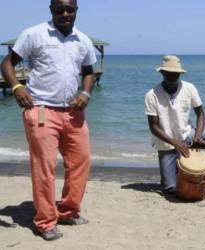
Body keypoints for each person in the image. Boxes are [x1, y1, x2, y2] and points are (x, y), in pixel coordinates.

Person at [1, 0, 96, 241]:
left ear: (76, 11)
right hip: (41, 109)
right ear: (51, 11)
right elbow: (7, 63)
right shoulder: (34, 34)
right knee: (44, 167)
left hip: (73, 112)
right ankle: (45, 222)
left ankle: (67, 210)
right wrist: (16, 86)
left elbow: (88, 72)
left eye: (70, 9)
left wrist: (85, 93)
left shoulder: (83, 40)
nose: (65, 14)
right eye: (59, 10)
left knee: (81, 162)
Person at [145, 55, 205, 200]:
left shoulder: (189, 88)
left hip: (188, 135)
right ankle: (175, 170)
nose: (172, 77)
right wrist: (175, 143)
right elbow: (154, 127)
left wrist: (198, 134)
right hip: (167, 144)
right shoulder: (151, 95)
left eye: (175, 74)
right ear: (162, 73)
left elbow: (201, 113)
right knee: (170, 189)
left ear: (180, 74)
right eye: (168, 74)